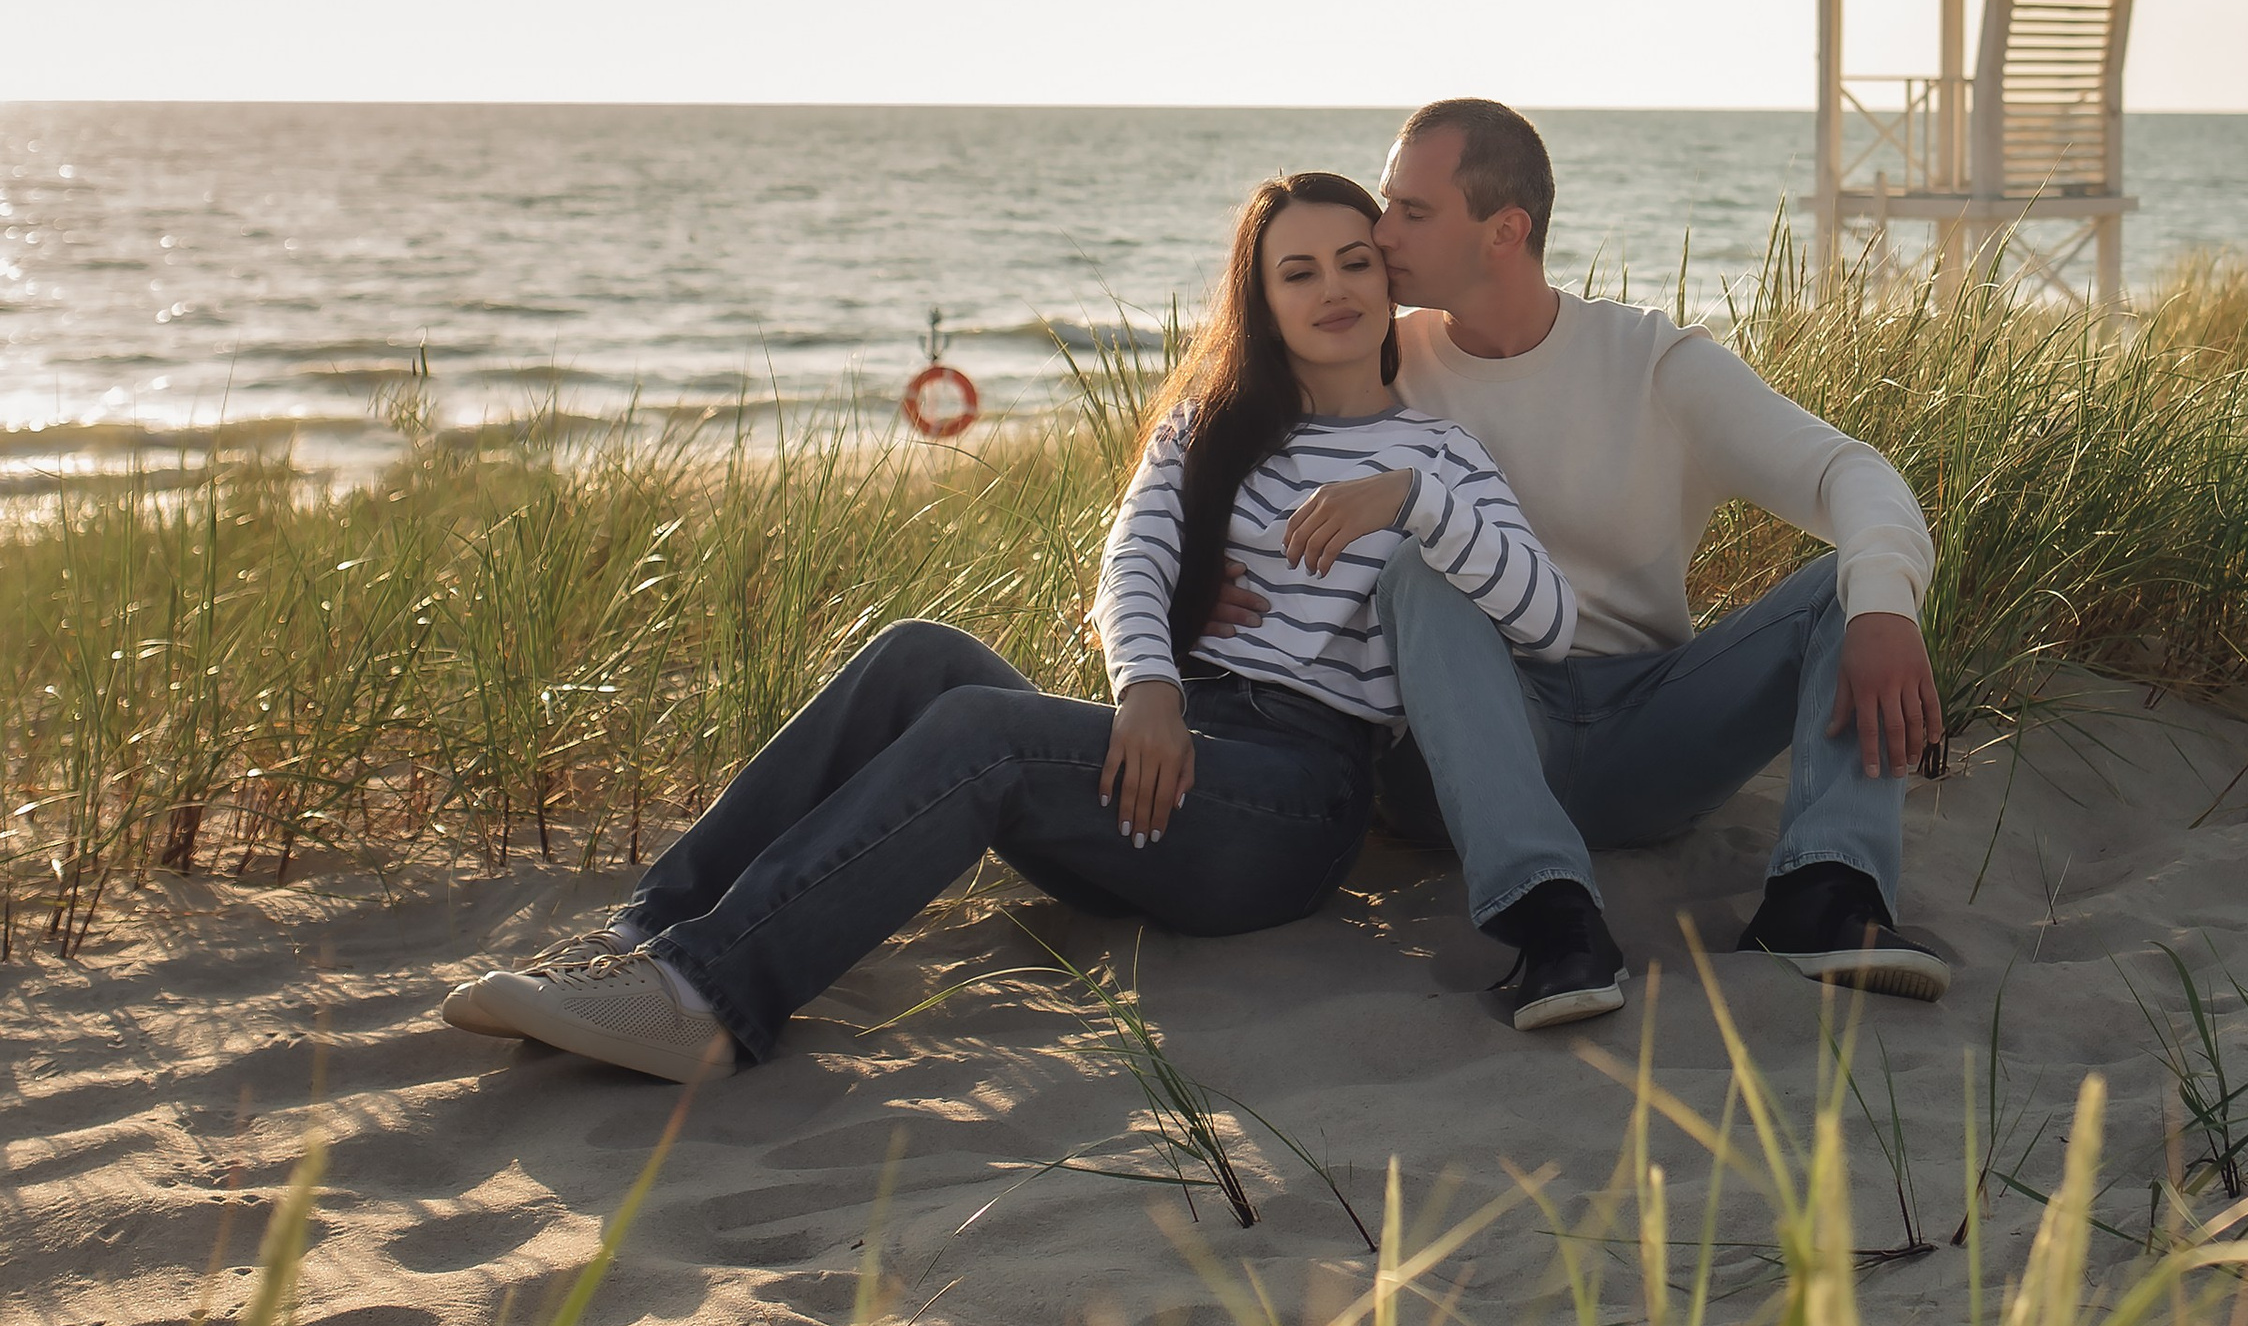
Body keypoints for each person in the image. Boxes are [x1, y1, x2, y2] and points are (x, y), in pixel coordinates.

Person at [438, 171, 1578, 1081]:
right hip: (1166, 753)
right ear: (1262, 303)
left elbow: (1549, 620)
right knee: (917, 655)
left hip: (1287, 808)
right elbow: (1133, 558)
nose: (1334, 289)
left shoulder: (1437, 453)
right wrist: (1149, 686)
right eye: (1298, 271)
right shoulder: (1208, 427)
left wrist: (1410, 502)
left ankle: (706, 998)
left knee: (986, 728)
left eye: (1354, 262)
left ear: (1387, 281)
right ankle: (643, 937)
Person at [1234, 97, 1948, 1019]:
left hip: (1650, 736)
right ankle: (1550, 922)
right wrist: (1202, 578)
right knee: (1421, 568)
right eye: (1386, 204)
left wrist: (1885, 606)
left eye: (1412, 210)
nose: (1381, 232)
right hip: (1457, 748)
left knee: (1847, 589)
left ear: (1505, 231)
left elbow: (1851, 473)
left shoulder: (1651, 363)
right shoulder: (1372, 357)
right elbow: (1213, 457)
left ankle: (1825, 894)